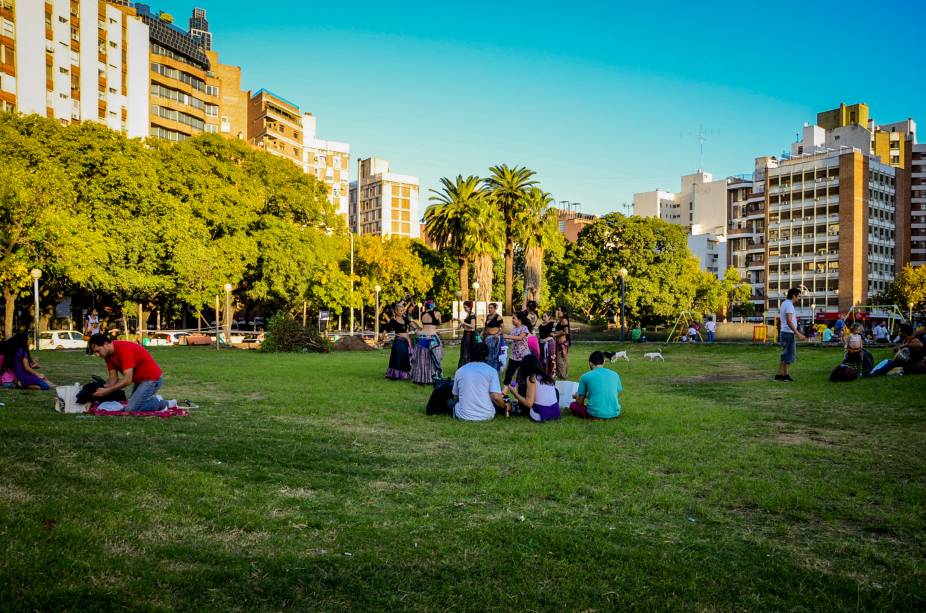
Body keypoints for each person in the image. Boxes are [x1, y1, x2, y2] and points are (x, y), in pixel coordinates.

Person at [88, 333, 165, 411]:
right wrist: (98, 389)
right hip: (140, 381)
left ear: (105, 344)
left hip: (152, 379)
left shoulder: (124, 349)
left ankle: (161, 403)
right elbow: (113, 379)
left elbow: (127, 380)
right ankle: (149, 400)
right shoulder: (108, 355)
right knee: (133, 405)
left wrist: (108, 390)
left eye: (98, 351)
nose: (97, 355)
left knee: (131, 409)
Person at [452, 342, 507, 421]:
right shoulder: (492, 371)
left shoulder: (460, 371)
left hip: (463, 415)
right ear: (487, 356)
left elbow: (455, 396)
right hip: (486, 415)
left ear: (470, 355)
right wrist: (505, 407)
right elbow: (496, 397)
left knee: (450, 402)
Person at [569, 351, 622, 420]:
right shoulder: (615, 374)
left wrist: (577, 396)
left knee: (573, 405)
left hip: (595, 414)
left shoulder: (585, 376)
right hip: (614, 413)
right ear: (604, 362)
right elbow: (609, 393)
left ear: (590, 363)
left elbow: (579, 402)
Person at [507, 354, 560, 422]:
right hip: (555, 413)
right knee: (555, 391)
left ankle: (523, 412)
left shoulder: (531, 378)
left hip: (540, 414)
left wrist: (515, 393)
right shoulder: (547, 377)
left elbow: (529, 403)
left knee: (522, 388)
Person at [775, 287, 806, 382]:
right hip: (788, 333)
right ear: (794, 296)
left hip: (785, 332)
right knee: (789, 355)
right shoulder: (789, 305)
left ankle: (779, 375)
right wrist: (798, 333)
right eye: (798, 296)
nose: (799, 298)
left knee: (785, 355)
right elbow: (789, 321)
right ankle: (785, 376)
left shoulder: (784, 303)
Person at [411, 298, 443, 384]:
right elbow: (439, 323)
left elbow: (422, 326)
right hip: (432, 338)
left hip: (422, 337)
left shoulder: (422, 314)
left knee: (422, 359)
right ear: (433, 305)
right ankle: (433, 378)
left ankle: (421, 378)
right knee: (434, 359)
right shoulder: (437, 313)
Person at [384, 304, 412, 380]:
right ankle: (394, 375)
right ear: (396, 311)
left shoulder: (405, 318)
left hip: (405, 342)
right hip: (398, 341)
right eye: (400, 311)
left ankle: (404, 375)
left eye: (402, 310)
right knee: (397, 358)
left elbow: (411, 324)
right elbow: (386, 329)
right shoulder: (393, 320)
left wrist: (418, 328)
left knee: (405, 358)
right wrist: (382, 335)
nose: (401, 312)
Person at [502, 311, 531, 386]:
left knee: (526, 374)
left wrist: (507, 336)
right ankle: (504, 393)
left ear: (519, 319)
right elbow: (511, 339)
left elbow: (520, 337)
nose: (512, 320)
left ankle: (526, 390)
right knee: (508, 374)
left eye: (514, 318)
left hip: (524, 355)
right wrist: (501, 336)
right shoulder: (514, 329)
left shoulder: (524, 328)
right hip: (514, 356)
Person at [483, 302, 505, 372]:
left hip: (494, 338)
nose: (489, 309)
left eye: (491, 308)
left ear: (495, 308)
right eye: (489, 308)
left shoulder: (498, 317)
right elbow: (486, 327)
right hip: (487, 337)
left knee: (493, 354)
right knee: (487, 353)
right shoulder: (488, 316)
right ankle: (488, 368)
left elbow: (503, 328)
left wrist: (497, 334)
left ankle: (494, 369)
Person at [551, 306, 571, 379]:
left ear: (564, 312)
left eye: (559, 310)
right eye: (557, 310)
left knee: (560, 361)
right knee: (562, 360)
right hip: (559, 342)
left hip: (562, 343)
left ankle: (563, 376)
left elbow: (566, 332)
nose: (558, 311)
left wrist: (555, 334)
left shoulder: (564, 320)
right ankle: (563, 376)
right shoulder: (560, 320)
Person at [537, 312, 557, 376]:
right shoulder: (540, 326)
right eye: (543, 316)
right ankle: (543, 372)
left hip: (549, 343)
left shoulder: (552, 324)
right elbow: (540, 335)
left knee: (550, 357)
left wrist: (549, 338)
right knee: (542, 358)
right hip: (541, 343)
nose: (543, 318)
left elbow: (555, 332)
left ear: (549, 317)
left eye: (545, 316)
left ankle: (551, 372)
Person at [458, 300, 476, 367]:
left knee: (466, 351)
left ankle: (467, 366)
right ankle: (464, 366)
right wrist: (461, 324)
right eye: (464, 307)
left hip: (470, 335)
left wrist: (463, 322)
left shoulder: (472, 314)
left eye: (465, 307)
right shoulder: (468, 314)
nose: (464, 309)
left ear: (469, 307)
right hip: (466, 334)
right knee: (464, 351)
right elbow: (467, 325)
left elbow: (472, 326)